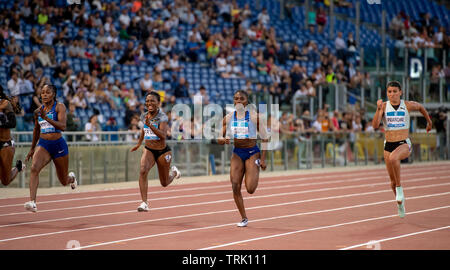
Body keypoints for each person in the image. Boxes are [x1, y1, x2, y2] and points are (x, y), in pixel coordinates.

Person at [372, 81, 432, 218]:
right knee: (391, 182)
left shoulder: (407, 105)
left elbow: (421, 107)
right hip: (389, 145)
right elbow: (375, 125)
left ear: (400, 92)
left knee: (394, 158)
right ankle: (400, 203)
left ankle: (400, 189)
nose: (392, 94)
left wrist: (429, 122)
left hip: (404, 143)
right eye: (389, 92)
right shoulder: (384, 106)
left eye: (394, 91)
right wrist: (378, 109)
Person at [217, 90, 268, 227]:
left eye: (241, 98)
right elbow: (219, 138)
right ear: (233, 101)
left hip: (252, 152)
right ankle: (244, 218)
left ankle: (253, 170)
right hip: (237, 152)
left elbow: (265, 137)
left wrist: (263, 158)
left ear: (247, 101)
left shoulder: (254, 117)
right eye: (236, 98)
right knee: (235, 186)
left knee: (250, 189)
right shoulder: (228, 117)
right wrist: (223, 139)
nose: (238, 101)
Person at [24, 84, 77, 212]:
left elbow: (63, 126)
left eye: (48, 92)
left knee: (63, 181)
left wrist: (46, 118)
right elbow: (36, 130)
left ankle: (72, 178)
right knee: (34, 168)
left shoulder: (60, 107)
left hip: (58, 145)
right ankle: (32, 202)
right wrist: (32, 148)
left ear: (53, 94)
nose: (44, 95)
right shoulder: (38, 111)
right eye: (42, 92)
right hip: (44, 145)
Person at [130, 92, 181, 212]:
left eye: (152, 101)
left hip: (162, 151)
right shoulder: (144, 116)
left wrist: (151, 126)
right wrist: (139, 143)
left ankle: (173, 172)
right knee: (143, 170)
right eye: (147, 101)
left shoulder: (162, 117)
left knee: (164, 183)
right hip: (149, 149)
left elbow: (163, 135)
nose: (149, 103)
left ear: (158, 103)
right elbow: (144, 129)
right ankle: (144, 202)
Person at [0, 86, 25, 186]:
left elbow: (13, 123)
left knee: (5, 181)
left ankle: (18, 168)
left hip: (5, 144)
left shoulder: (5, 104)